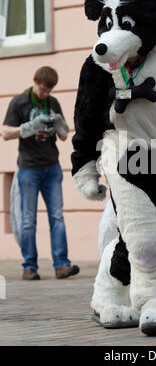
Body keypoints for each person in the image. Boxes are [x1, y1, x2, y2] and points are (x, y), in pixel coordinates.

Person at [1, 66, 80, 280]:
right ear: (35, 81)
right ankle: (29, 267)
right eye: (42, 89)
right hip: (28, 168)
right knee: (28, 219)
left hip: (52, 167)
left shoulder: (52, 103)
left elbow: (64, 136)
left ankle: (62, 265)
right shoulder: (19, 102)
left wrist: (59, 123)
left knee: (57, 217)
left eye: (48, 90)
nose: (44, 93)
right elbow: (5, 132)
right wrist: (29, 127)